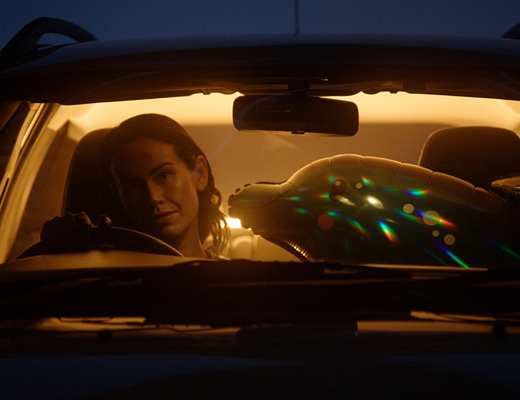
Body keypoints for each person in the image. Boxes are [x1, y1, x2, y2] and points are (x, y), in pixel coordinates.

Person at [41, 114, 228, 259]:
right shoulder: (103, 277)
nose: (153, 197)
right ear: (118, 194)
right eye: (133, 187)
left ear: (199, 174)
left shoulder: (234, 279)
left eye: (163, 176)